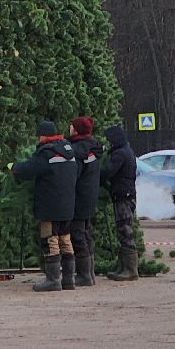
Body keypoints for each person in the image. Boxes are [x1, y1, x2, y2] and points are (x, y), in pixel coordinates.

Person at [10, 119, 79, 291]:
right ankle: (69, 280)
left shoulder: (46, 152)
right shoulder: (69, 151)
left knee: (49, 240)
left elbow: (29, 169)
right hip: (68, 204)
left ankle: (53, 280)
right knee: (65, 239)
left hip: (50, 205)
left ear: (42, 136)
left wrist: (14, 167)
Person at [67, 116, 104, 287]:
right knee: (85, 232)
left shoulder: (77, 150)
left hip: (79, 197)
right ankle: (89, 272)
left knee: (78, 234)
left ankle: (84, 275)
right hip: (90, 196)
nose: (69, 128)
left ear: (77, 130)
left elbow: (74, 176)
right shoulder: (93, 147)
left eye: (72, 126)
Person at [101, 123, 138, 281]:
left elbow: (108, 172)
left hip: (123, 196)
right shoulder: (126, 151)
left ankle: (130, 269)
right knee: (123, 230)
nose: (107, 143)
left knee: (125, 230)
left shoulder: (120, 154)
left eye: (108, 140)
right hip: (125, 194)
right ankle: (124, 267)